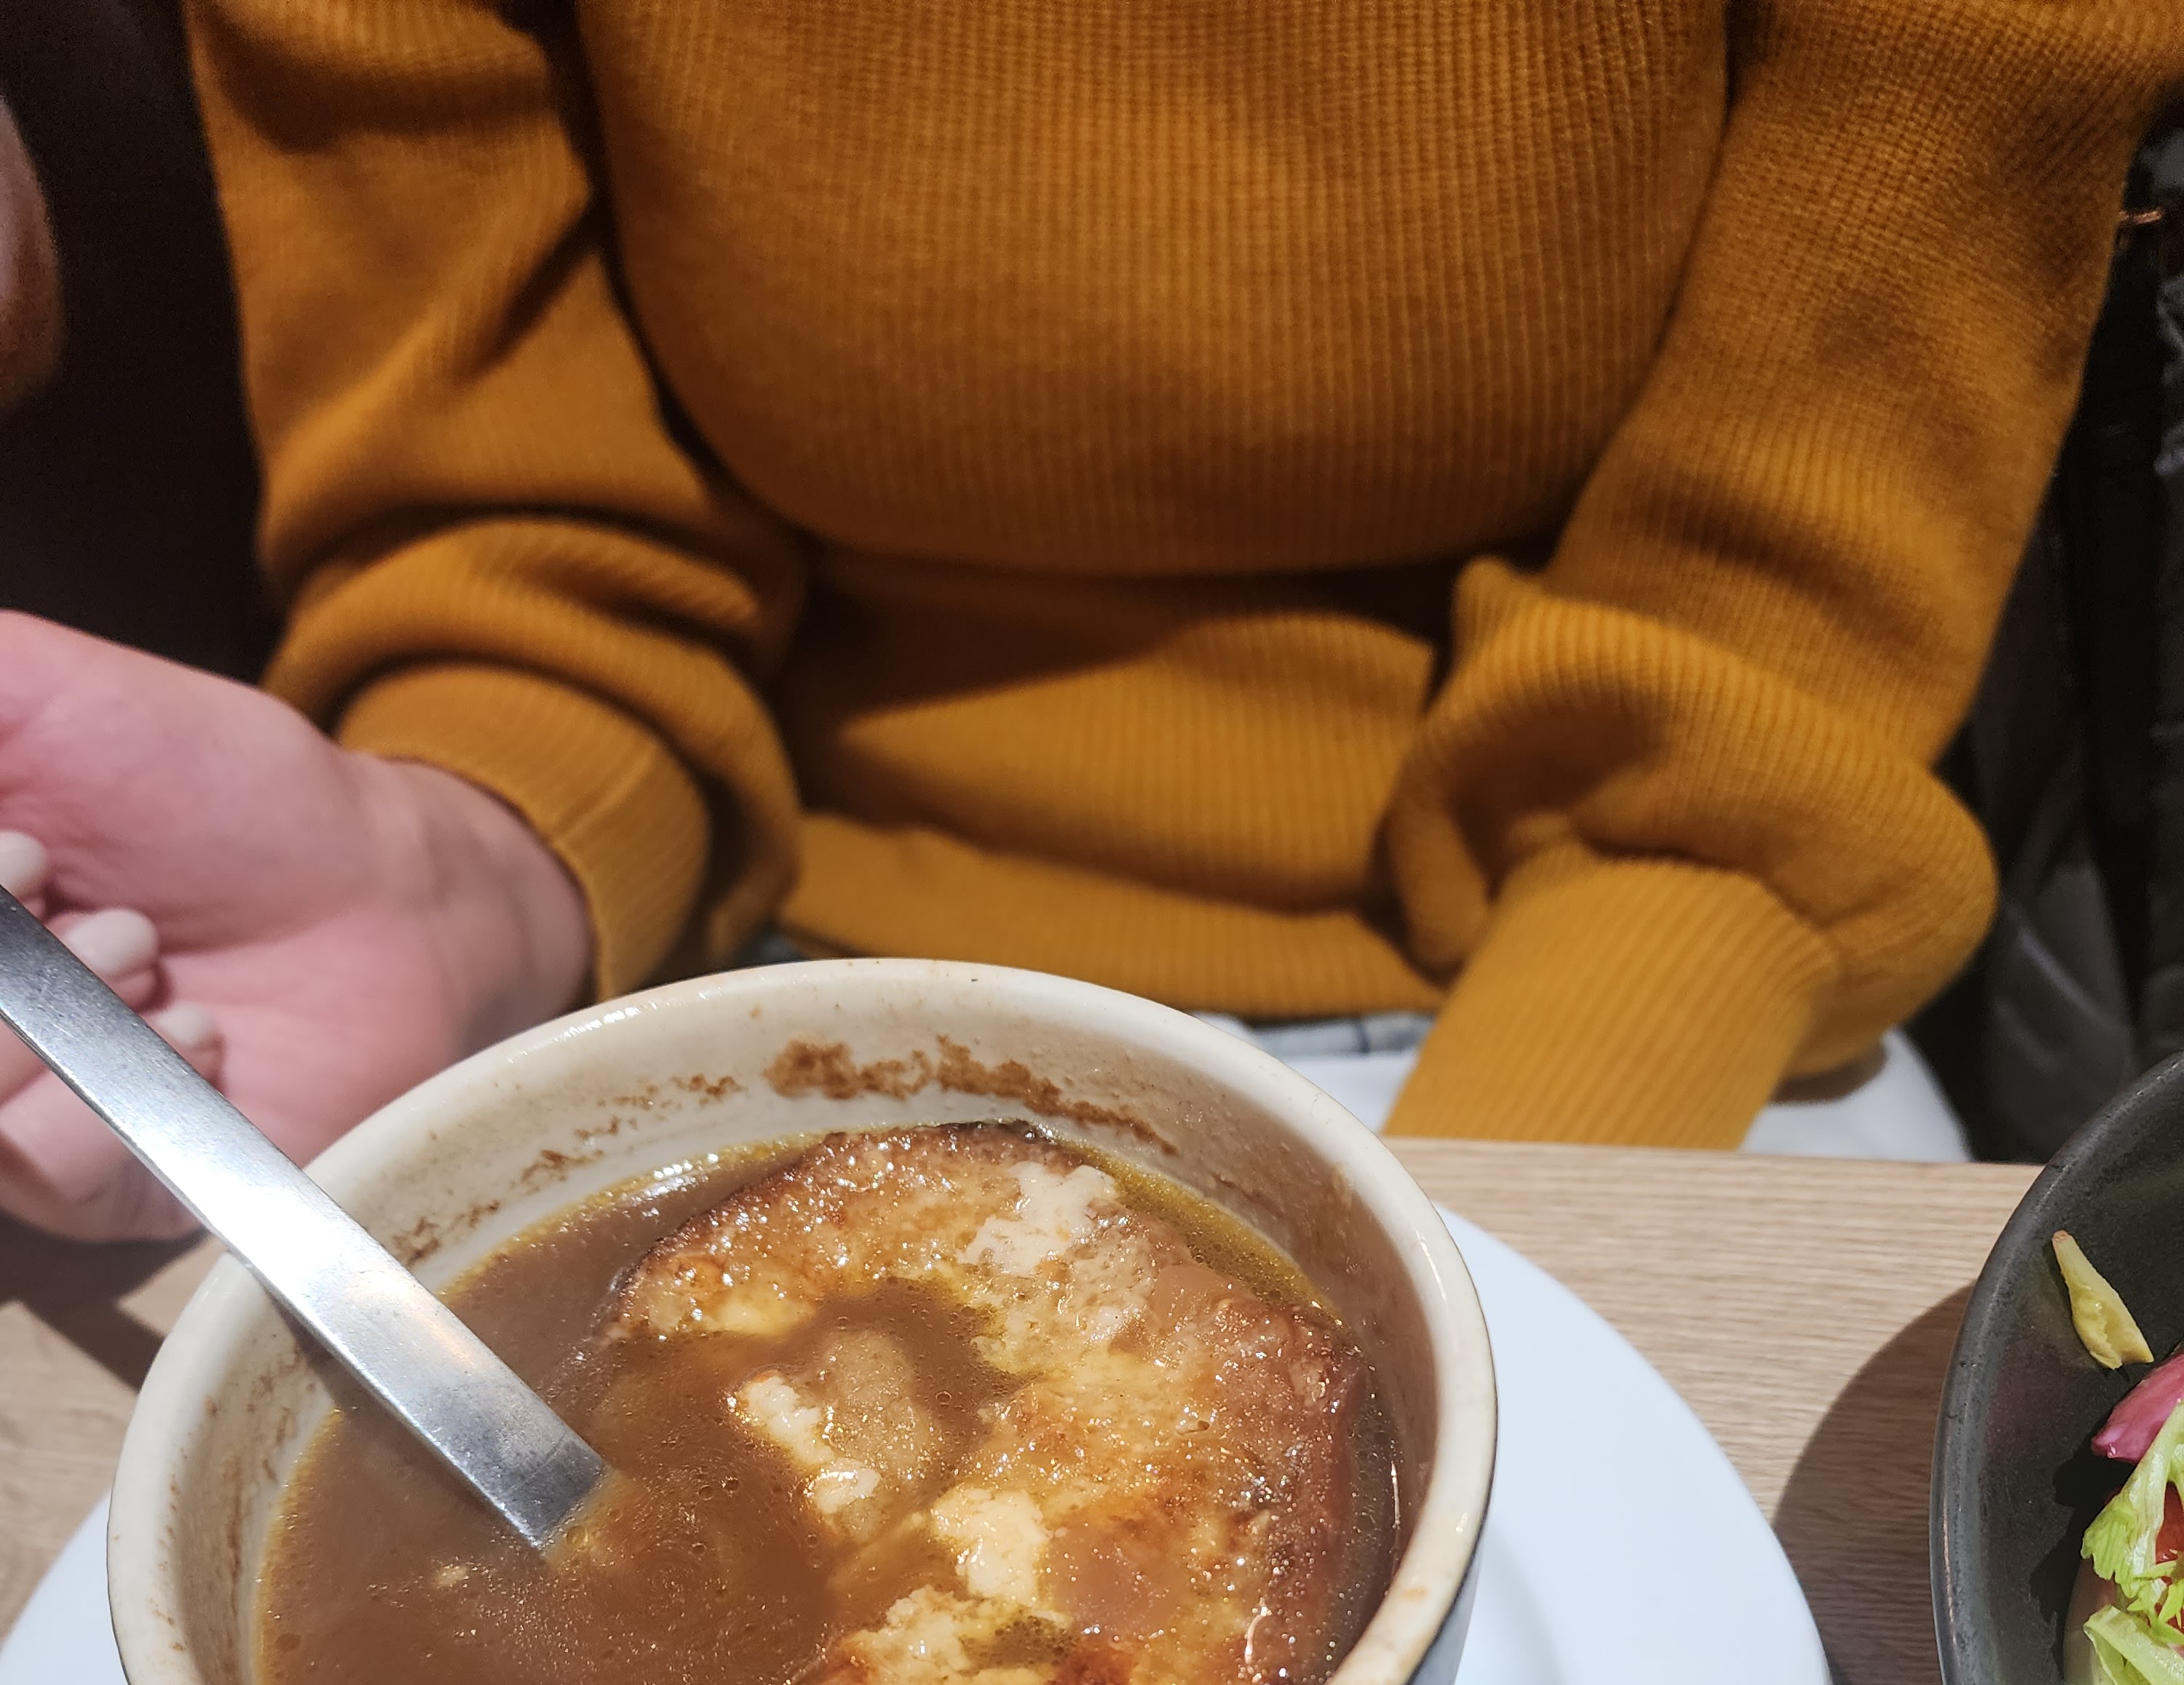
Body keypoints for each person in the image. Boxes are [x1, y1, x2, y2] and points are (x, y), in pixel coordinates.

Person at [1, 4, 2178, 1240]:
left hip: (1641, 975)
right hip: (747, 970)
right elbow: (536, 528)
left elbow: (1789, 623)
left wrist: (1411, 1259)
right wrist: (460, 869)